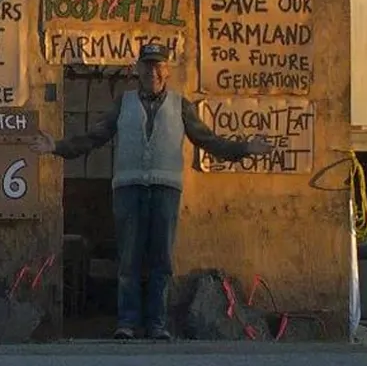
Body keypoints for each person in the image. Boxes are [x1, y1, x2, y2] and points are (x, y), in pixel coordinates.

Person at [30, 43, 272, 340]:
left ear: (167, 70)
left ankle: (157, 324)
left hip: (165, 190)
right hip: (128, 189)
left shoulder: (181, 105)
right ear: (137, 70)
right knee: (128, 260)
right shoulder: (124, 103)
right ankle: (128, 323)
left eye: (158, 66)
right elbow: (94, 137)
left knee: (161, 261)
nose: (153, 71)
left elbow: (209, 141)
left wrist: (244, 148)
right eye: (147, 66)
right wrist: (57, 147)